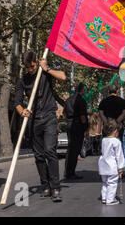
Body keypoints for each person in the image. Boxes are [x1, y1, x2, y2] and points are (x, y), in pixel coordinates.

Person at [15, 50, 66, 202]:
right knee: (39, 155)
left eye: (32, 66)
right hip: (34, 120)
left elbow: (63, 76)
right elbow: (17, 102)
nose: (30, 70)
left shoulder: (45, 73)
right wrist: (22, 111)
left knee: (50, 150)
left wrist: (47, 68)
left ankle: (55, 187)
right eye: (27, 67)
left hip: (49, 116)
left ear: (37, 61)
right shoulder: (23, 80)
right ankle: (45, 185)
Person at [64, 83, 88, 179]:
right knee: (75, 149)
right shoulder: (81, 100)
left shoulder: (68, 100)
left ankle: (68, 171)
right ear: (82, 90)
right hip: (77, 126)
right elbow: (83, 116)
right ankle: (70, 172)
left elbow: (65, 114)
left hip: (70, 125)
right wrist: (86, 128)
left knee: (70, 149)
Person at [98, 119, 125, 205]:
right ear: (115, 131)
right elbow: (119, 155)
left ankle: (104, 197)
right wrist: (120, 167)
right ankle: (110, 199)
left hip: (103, 164)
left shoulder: (103, 140)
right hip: (111, 165)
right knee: (112, 182)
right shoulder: (116, 141)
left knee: (105, 182)